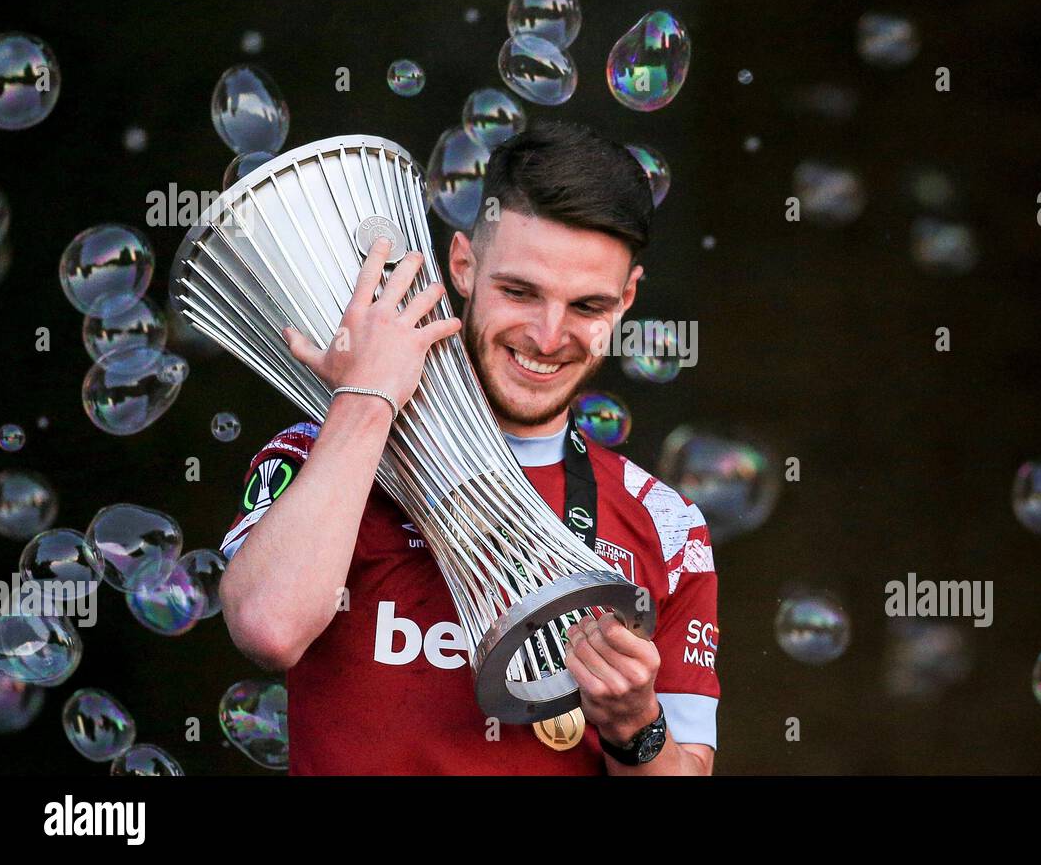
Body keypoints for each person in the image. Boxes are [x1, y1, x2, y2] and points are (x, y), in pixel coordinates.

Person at [216, 120, 719, 775]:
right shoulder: (323, 452)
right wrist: (366, 399)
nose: (547, 335)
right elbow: (267, 629)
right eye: (519, 291)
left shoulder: (668, 524)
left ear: (625, 300)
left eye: (587, 305)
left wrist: (634, 726)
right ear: (463, 264)